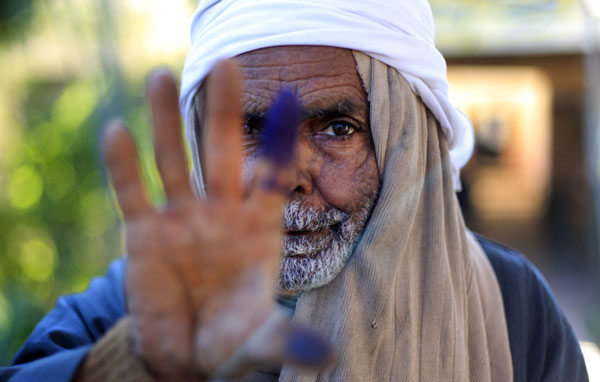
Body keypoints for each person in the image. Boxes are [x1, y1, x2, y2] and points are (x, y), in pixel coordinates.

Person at [0, 0, 589, 381]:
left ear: (405, 146)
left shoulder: (512, 307)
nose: (286, 173)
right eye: (246, 129)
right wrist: (122, 368)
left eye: (338, 128)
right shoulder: (140, 308)